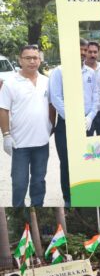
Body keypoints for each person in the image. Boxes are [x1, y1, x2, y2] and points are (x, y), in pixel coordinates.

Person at [0, 44, 53, 207]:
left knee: (39, 181)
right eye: (28, 58)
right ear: (20, 60)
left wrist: (51, 127)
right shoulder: (10, 83)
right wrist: (6, 135)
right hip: (20, 144)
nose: (32, 61)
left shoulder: (47, 81)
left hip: (42, 144)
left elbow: (52, 106)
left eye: (35, 58)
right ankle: (19, 210)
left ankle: (37, 207)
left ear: (40, 60)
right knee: (19, 183)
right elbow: (3, 110)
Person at [49, 38, 98, 207]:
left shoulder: (90, 73)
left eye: (85, 50)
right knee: (67, 163)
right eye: (80, 49)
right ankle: (68, 199)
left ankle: (85, 196)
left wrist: (90, 117)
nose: (83, 53)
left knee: (85, 161)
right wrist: (72, 119)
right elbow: (56, 98)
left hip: (86, 124)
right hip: (66, 125)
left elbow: (95, 98)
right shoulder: (59, 71)